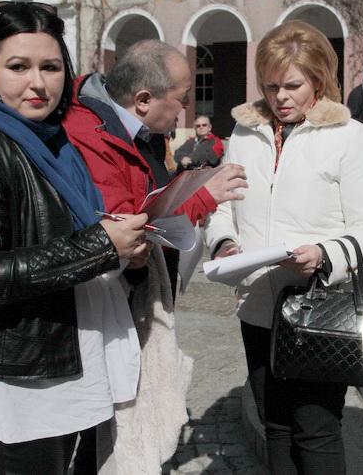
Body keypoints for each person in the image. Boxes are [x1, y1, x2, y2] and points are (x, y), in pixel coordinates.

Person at [0, 1, 151, 474]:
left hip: (65, 358)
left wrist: (123, 253)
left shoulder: (54, 142)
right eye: (18, 67)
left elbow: (59, 233)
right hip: (10, 378)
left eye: (51, 67)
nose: (38, 83)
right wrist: (100, 248)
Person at [204, 20, 363, 474]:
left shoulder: (348, 135)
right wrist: (224, 242)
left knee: (316, 429)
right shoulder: (244, 135)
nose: (281, 97)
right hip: (257, 304)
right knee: (274, 423)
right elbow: (222, 206)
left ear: (319, 81)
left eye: (293, 86)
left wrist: (326, 256)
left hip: (319, 310)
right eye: (271, 86)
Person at [61, 39, 247, 471]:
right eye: (181, 98)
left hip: (124, 296)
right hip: (98, 306)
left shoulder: (131, 129)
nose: (185, 109)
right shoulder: (92, 133)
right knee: (101, 431)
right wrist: (203, 197)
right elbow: (121, 223)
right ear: (143, 100)